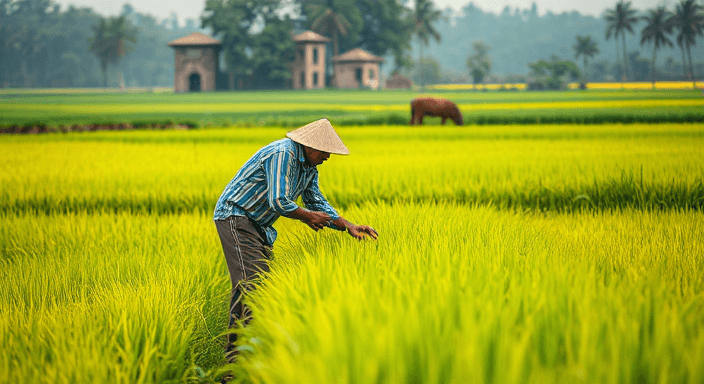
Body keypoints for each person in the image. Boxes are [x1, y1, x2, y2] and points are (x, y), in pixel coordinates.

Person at [213, 118, 379, 366]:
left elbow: (316, 202)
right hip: (237, 216)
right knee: (252, 286)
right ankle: (236, 364)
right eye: (326, 152)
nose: (328, 157)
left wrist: (348, 226)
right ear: (310, 146)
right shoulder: (283, 154)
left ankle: (252, 353)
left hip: (258, 224)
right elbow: (278, 201)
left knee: (263, 287)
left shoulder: (309, 168)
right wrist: (307, 217)